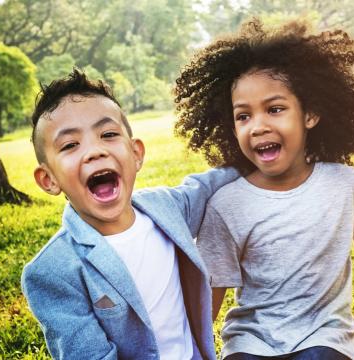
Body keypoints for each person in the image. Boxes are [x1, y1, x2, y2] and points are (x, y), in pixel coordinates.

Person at [173, 19, 354, 360]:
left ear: (310, 114)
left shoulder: (343, 184)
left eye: (275, 109)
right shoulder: (226, 204)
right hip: (251, 341)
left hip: (324, 336)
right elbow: (213, 289)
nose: (258, 126)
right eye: (243, 116)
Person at [21, 69, 238, 360]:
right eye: (70, 145)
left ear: (136, 154)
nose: (94, 151)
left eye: (108, 134)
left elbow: (210, 185)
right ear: (49, 180)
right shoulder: (52, 271)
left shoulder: (165, 207)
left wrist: (261, 153)